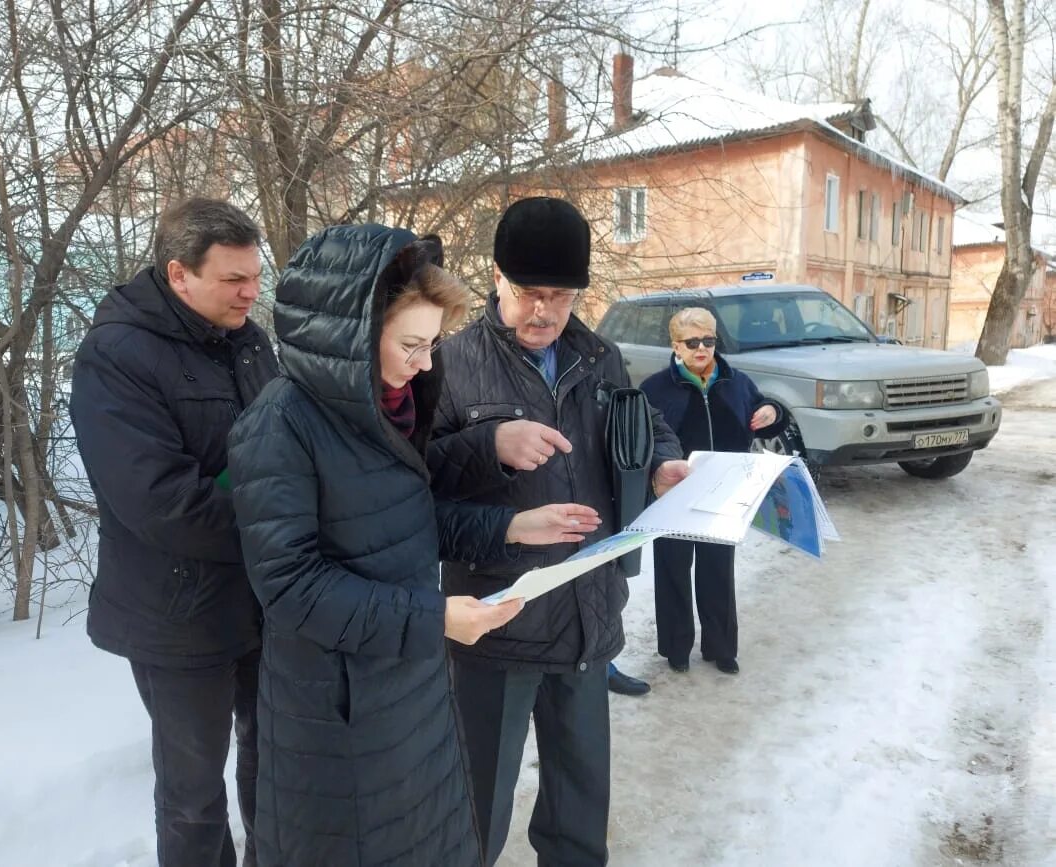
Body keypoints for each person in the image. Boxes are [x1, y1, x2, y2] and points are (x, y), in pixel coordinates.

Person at [226, 224, 602, 867]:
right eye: (412, 344)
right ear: (349, 335)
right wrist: (436, 619)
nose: (427, 363)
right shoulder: (280, 424)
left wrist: (507, 527)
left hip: (405, 685)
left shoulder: (384, 406)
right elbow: (291, 588)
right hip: (336, 711)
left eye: (431, 344)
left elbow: (403, 519)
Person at [426, 196, 688, 866]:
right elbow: (417, 490)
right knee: (473, 810)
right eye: (528, 293)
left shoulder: (598, 356)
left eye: (560, 296)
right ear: (494, 277)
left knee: (578, 812)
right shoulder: (448, 363)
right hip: (498, 625)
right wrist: (489, 443)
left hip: (586, 618)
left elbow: (639, 424)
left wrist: (662, 462)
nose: (543, 312)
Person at [70, 198, 278, 867]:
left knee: (272, 762)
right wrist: (278, 522)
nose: (251, 291)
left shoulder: (248, 339)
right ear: (179, 274)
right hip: (177, 611)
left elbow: (276, 448)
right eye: (233, 279)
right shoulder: (117, 355)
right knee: (193, 797)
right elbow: (157, 499)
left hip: (260, 597)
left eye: (254, 275)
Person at [640, 306, 788, 675]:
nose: (702, 348)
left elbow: (764, 415)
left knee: (718, 570)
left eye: (708, 340)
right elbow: (642, 438)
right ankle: (675, 649)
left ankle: (721, 648)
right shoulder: (655, 388)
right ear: (676, 346)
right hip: (674, 493)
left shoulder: (736, 381)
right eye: (692, 342)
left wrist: (771, 411)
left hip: (725, 493)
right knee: (673, 568)